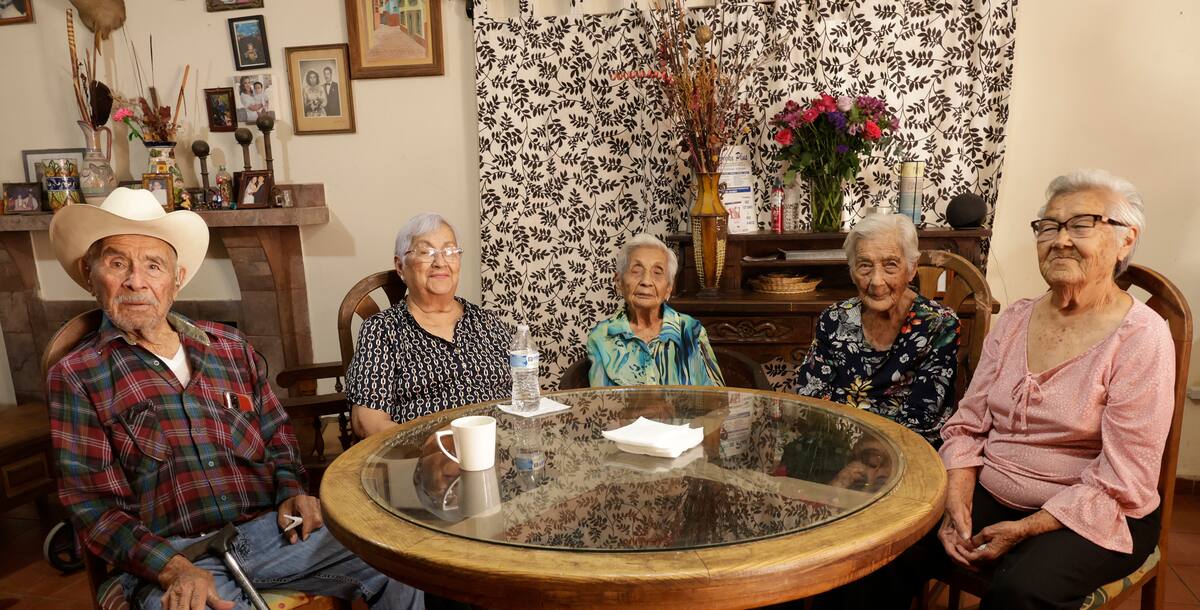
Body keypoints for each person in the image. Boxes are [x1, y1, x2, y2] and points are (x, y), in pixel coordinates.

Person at [46, 188, 423, 610]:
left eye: (153, 265)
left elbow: (278, 437)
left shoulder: (229, 346)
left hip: (272, 535)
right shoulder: (77, 374)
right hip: (174, 556)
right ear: (89, 272)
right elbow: (93, 508)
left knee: (402, 560)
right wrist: (174, 568)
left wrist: (292, 493)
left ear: (176, 279)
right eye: (118, 263)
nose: (137, 280)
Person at [820, 169, 1175, 610]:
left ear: (1126, 239)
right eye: (1048, 225)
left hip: (1095, 512)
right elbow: (967, 425)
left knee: (1021, 591)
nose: (1060, 239)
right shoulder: (1015, 320)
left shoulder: (1142, 336)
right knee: (884, 548)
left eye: (1081, 224)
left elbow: (1125, 478)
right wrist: (955, 500)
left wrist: (1027, 528)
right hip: (995, 490)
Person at [792, 214, 959, 445]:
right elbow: (809, 395)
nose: (876, 281)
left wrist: (865, 452)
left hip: (904, 449)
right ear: (852, 272)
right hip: (833, 444)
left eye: (890, 265)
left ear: (911, 270)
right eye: (865, 265)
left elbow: (923, 417)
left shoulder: (939, 325)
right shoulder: (833, 318)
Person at [347, 213, 513, 438]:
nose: (441, 262)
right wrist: (430, 445)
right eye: (426, 252)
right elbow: (368, 421)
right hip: (421, 459)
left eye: (450, 251)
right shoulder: (382, 330)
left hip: (500, 448)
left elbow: (526, 392)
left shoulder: (488, 323)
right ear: (400, 266)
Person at [586, 233, 724, 386]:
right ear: (618, 282)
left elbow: (717, 398)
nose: (646, 281)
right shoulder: (602, 336)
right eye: (636, 270)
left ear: (669, 288)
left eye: (657, 273)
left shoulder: (691, 330)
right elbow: (602, 403)